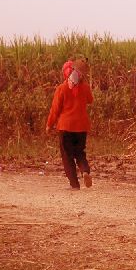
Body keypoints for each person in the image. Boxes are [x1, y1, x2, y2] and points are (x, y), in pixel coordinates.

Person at [46, 58, 94, 190]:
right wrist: (84, 85)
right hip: (82, 127)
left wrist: (49, 125)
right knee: (80, 153)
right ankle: (85, 171)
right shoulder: (84, 87)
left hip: (65, 127)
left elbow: (55, 109)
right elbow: (90, 100)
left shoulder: (61, 89)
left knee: (67, 156)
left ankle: (74, 184)